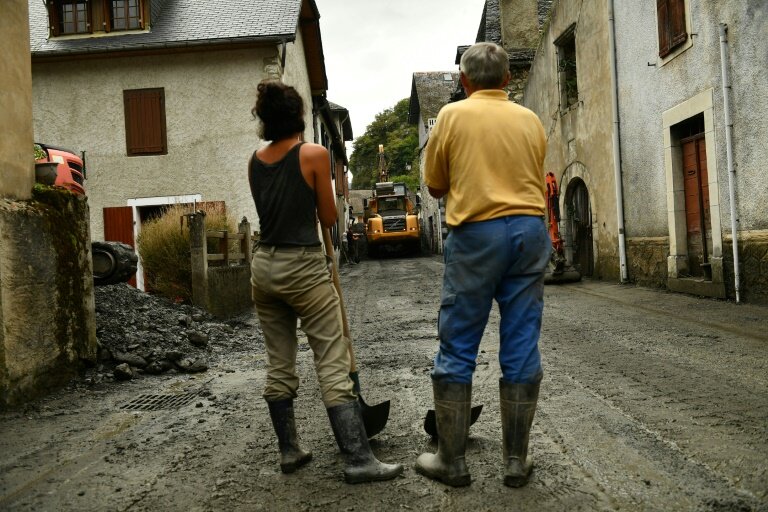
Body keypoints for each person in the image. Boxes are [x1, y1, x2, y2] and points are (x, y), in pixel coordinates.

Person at [248, 79, 402, 484]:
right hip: (303, 266)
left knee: (279, 363)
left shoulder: (255, 160)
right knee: (332, 359)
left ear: (265, 119)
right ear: (299, 115)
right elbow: (329, 220)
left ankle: (290, 450)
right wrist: (331, 187)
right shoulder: (313, 154)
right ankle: (358, 459)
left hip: (263, 267)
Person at [416, 42, 551, 488]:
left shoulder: (452, 117)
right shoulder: (529, 119)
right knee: (521, 340)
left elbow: (435, 187)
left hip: (476, 234)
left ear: (464, 81)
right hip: (529, 233)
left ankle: (451, 461)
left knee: (458, 344)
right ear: (508, 79)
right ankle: (516, 459)